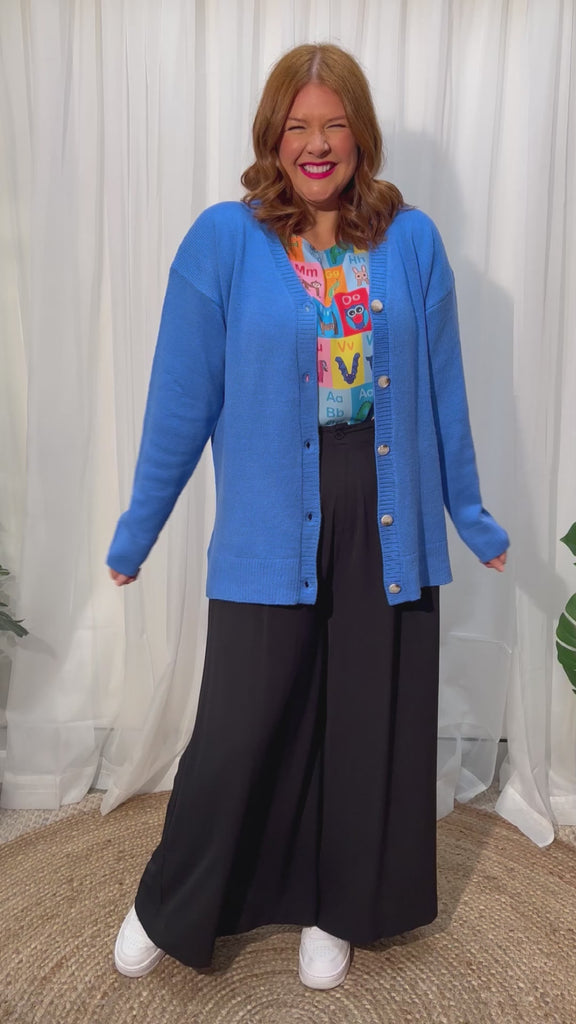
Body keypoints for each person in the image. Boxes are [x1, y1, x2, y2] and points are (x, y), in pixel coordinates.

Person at [107, 42, 508, 990]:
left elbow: (444, 394)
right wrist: (138, 529)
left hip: (387, 512)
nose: (316, 144)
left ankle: (338, 908)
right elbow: (181, 399)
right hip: (268, 513)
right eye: (298, 126)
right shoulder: (224, 240)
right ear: (273, 136)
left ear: (360, 136)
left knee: (367, 721)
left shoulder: (411, 241)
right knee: (239, 726)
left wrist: (471, 513)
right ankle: (172, 900)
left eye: (334, 125)